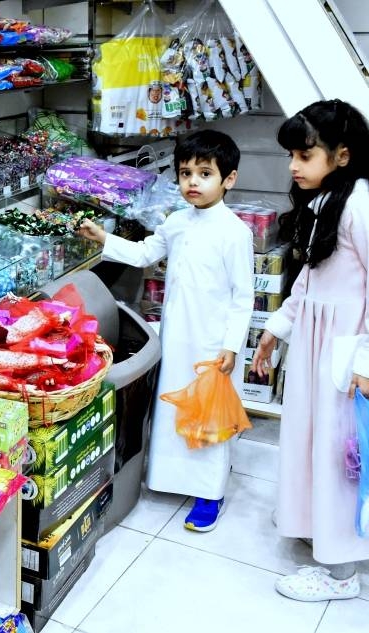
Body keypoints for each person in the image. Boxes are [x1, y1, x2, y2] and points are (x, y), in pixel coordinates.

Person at [251, 99, 369, 601]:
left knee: (344, 453)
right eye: (291, 156)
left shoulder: (361, 210)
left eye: (304, 156)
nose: (293, 166)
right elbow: (310, 280)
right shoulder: (326, 203)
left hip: (351, 352)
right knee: (316, 441)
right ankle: (317, 522)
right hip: (322, 347)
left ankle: (341, 572)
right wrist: (276, 329)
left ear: (342, 155)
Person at [79, 129, 254, 531]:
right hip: (176, 336)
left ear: (228, 179)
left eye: (205, 174)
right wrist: (104, 238)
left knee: (209, 414)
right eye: (185, 173)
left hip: (213, 343)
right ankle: (168, 478)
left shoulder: (235, 233)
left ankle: (210, 492)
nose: (193, 182)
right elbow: (145, 254)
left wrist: (231, 346)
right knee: (173, 408)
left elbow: (244, 297)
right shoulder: (176, 222)